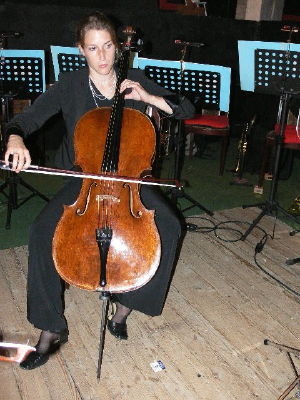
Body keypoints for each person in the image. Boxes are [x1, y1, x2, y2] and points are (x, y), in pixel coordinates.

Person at [4, 12, 195, 370]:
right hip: (85, 180)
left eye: (107, 46)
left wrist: (148, 96)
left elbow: (186, 108)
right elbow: (25, 120)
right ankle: (50, 327)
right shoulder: (70, 85)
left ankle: (126, 307)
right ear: (81, 50)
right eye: (93, 48)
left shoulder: (134, 78)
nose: (103, 56)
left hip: (130, 182)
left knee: (169, 227)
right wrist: (15, 138)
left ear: (116, 48)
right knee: (41, 231)